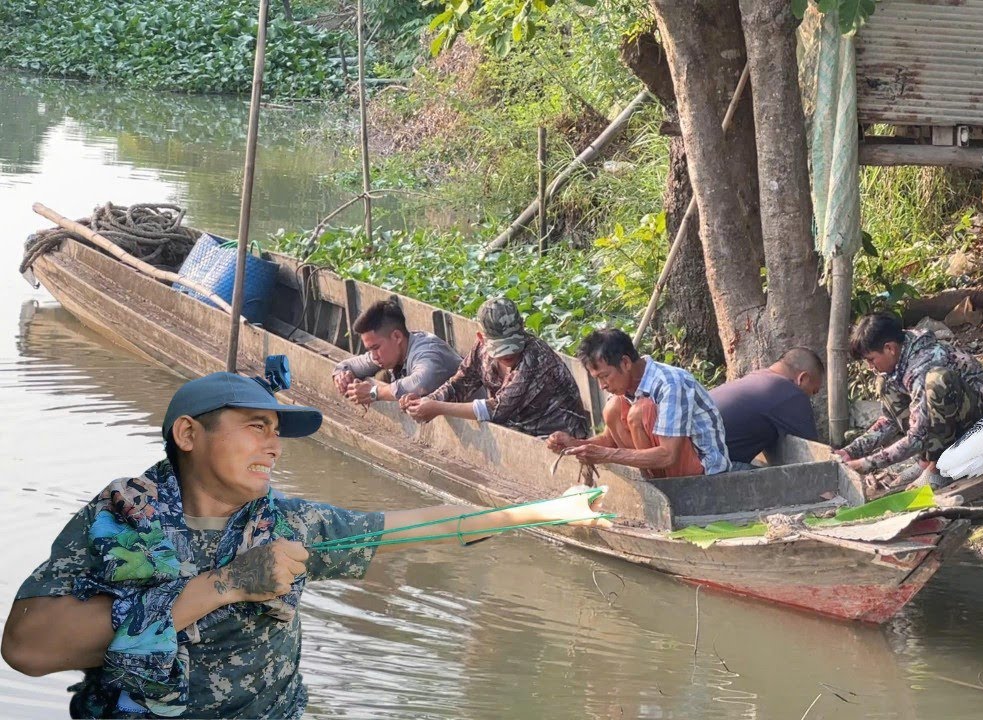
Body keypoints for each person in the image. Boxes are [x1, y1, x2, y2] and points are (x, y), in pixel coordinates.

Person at [1, 372, 607, 719]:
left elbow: (412, 526)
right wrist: (227, 585)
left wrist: (536, 513)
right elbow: (26, 649)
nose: (273, 445)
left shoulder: (292, 526)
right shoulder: (118, 521)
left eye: (277, 432)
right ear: (188, 434)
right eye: (254, 426)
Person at [834, 312, 983, 489]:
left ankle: (939, 467)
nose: (870, 366)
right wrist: (850, 451)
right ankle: (926, 462)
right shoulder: (901, 357)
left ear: (890, 348)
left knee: (937, 381)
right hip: (953, 424)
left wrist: (864, 464)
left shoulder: (923, 364)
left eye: (871, 359)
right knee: (884, 383)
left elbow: (919, 435)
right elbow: (890, 421)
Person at [546, 328, 730, 478]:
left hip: (705, 473)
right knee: (613, 409)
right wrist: (575, 444)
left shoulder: (670, 383)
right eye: (597, 379)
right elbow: (610, 439)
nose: (602, 386)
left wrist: (606, 456)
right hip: (667, 469)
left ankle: (662, 486)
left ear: (625, 363)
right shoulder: (623, 389)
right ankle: (653, 483)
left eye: (604, 376)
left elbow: (668, 455)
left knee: (641, 411)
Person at [402, 297, 590, 439]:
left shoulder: (535, 357)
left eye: (513, 345)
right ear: (481, 338)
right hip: (516, 433)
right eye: (500, 348)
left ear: (522, 328)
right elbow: (459, 384)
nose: (508, 354)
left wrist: (437, 407)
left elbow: (497, 410)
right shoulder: (480, 351)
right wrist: (424, 402)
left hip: (556, 438)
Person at [331, 298, 461, 406]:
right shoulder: (387, 353)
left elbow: (422, 382)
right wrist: (341, 376)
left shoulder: (427, 351)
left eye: (376, 348)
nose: (374, 356)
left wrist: (374, 392)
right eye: (370, 350)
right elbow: (347, 365)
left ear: (397, 337)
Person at [710, 347, 824, 465]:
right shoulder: (790, 393)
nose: (811, 397)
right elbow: (815, 455)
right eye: (813, 391)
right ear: (803, 379)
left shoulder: (755, 378)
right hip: (708, 466)